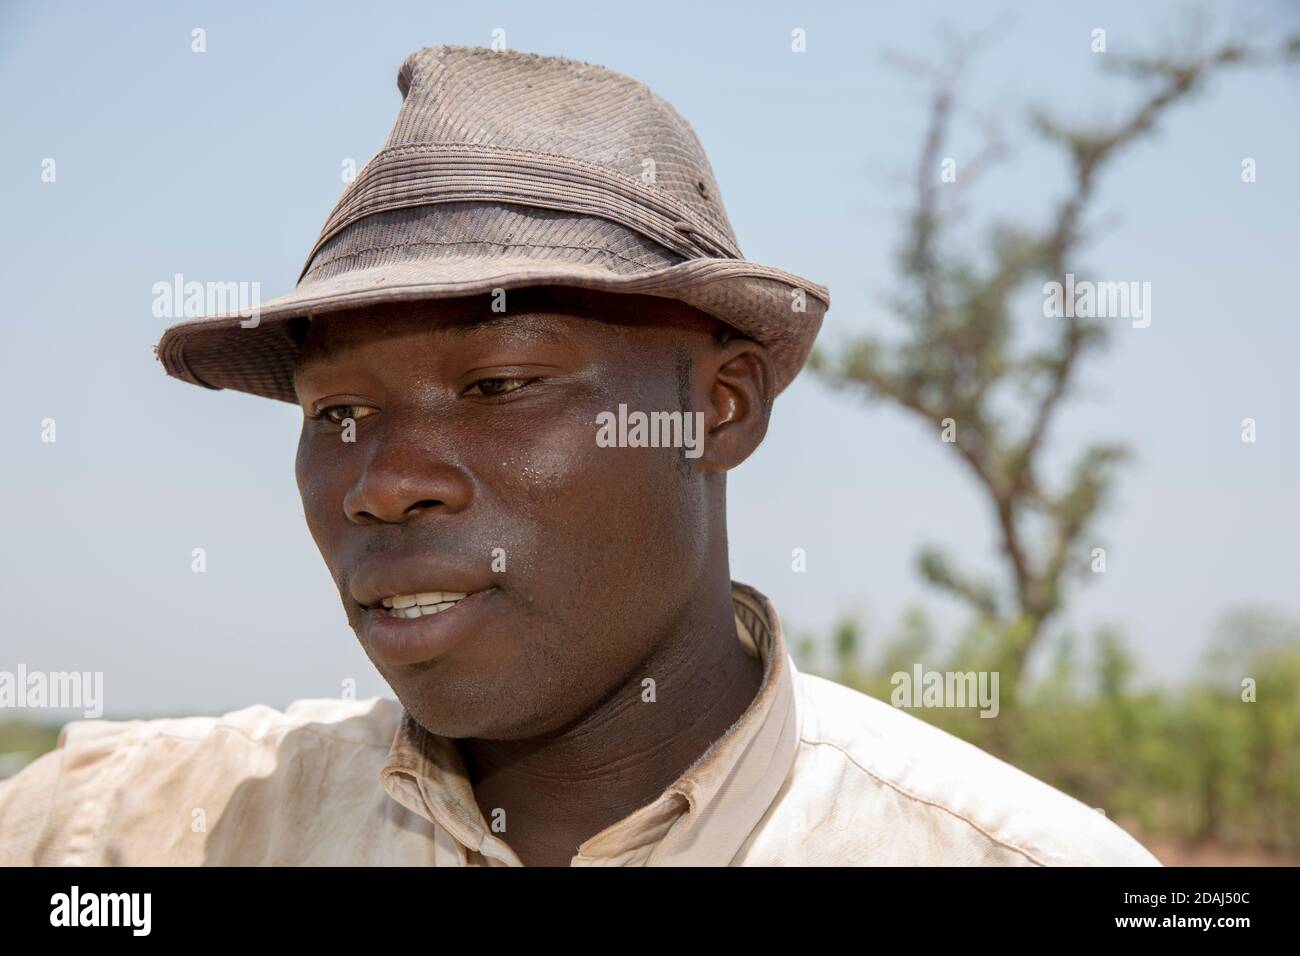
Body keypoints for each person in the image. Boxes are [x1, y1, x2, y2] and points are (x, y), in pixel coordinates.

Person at [0, 45, 1159, 867]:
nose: (384, 479)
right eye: (337, 414)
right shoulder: (128, 832)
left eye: (500, 385)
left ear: (720, 408)